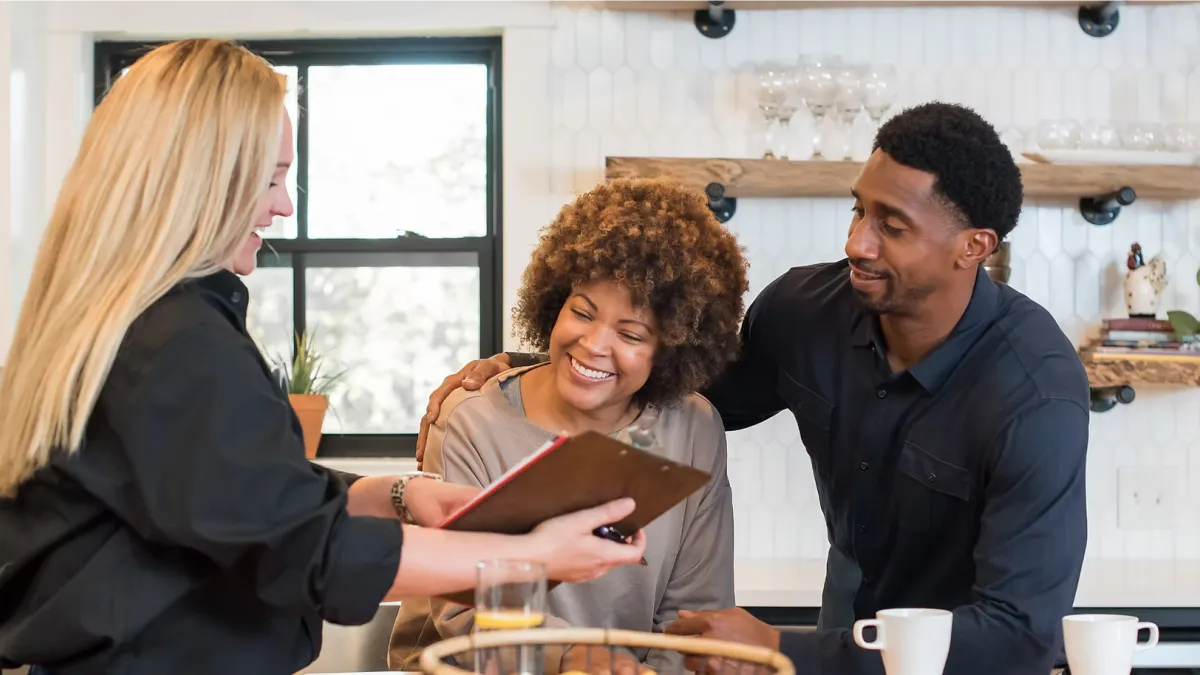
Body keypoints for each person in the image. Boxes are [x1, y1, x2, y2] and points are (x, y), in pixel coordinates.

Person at [0, 39, 645, 675]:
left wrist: (394, 493)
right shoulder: (176, 340)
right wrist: (533, 559)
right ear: (202, 180)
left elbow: (234, 500)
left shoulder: (129, 322)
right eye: (273, 179)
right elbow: (304, 554)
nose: (283, 205)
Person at [418, 102, 1091, 675]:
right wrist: (524, 365)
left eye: (892, 226)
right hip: (839, 636)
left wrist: (779, 645)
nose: (857, 243)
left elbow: (1021, 632)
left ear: (973, 247)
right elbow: (669, 378)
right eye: (859, 210)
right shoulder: (807, 309)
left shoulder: (1035, 393)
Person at [387, 178, 748, 674]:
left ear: (672, 350)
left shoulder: (694, 430)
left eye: (631, 334)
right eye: (581, 311)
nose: (594, 344)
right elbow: (463, 614)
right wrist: (576, 658)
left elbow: (694, 613)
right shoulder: (472, 421)